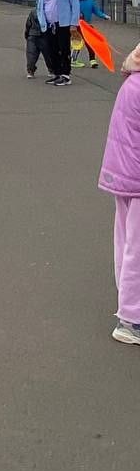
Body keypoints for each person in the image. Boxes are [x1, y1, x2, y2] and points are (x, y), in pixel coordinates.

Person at [99, 42, 140, 343]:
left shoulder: (133, 82)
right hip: (135, 176)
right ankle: (131, 318)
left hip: (125, 173)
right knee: (136, 248)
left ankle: (128, 307)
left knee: (127, 241)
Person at [36, 0, 80, 86]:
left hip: (63, 24)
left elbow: (75, 5)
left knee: (64, 49)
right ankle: (57, 73)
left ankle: (65, 75)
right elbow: (39, 7)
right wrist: (41, 21)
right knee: (51, 50)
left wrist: (73, 24)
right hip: (49, 25)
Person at [75, 0, 110, 68]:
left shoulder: (91, 1)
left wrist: (104, 16)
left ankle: (92, 60)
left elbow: (96, 11)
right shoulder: (73, 1)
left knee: (90, 42)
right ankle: (73, 59)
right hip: (75, 26)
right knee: (77, 43)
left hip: (87, 26)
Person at [24, 6, 44, 79]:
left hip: (32, 34)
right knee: (48, 53)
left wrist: (27, 34)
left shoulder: (33, 11)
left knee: (31, 54)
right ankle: (51, 70)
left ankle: (30, 71)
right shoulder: (49, 11)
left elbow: (28, 24)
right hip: (44, 34)